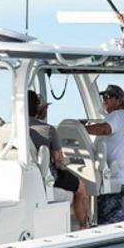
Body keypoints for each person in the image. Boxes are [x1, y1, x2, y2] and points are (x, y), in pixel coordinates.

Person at [28, 91, 89, 226]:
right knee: (80, 186)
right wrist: (67, 162)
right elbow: (58, 161)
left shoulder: (14, 130)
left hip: (26, 179)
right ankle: (84, 227)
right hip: (47, 179)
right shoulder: (48, 129)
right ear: (38, 108)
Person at [82, 82, 124, 224]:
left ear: (119, 100)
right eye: (104, 96)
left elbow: (105, 129)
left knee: (110, 221)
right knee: (109, 217)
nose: (105, 99)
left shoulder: (116, 115)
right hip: (121, 177)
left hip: (111, 178)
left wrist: (81, 129)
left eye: (109, 96)